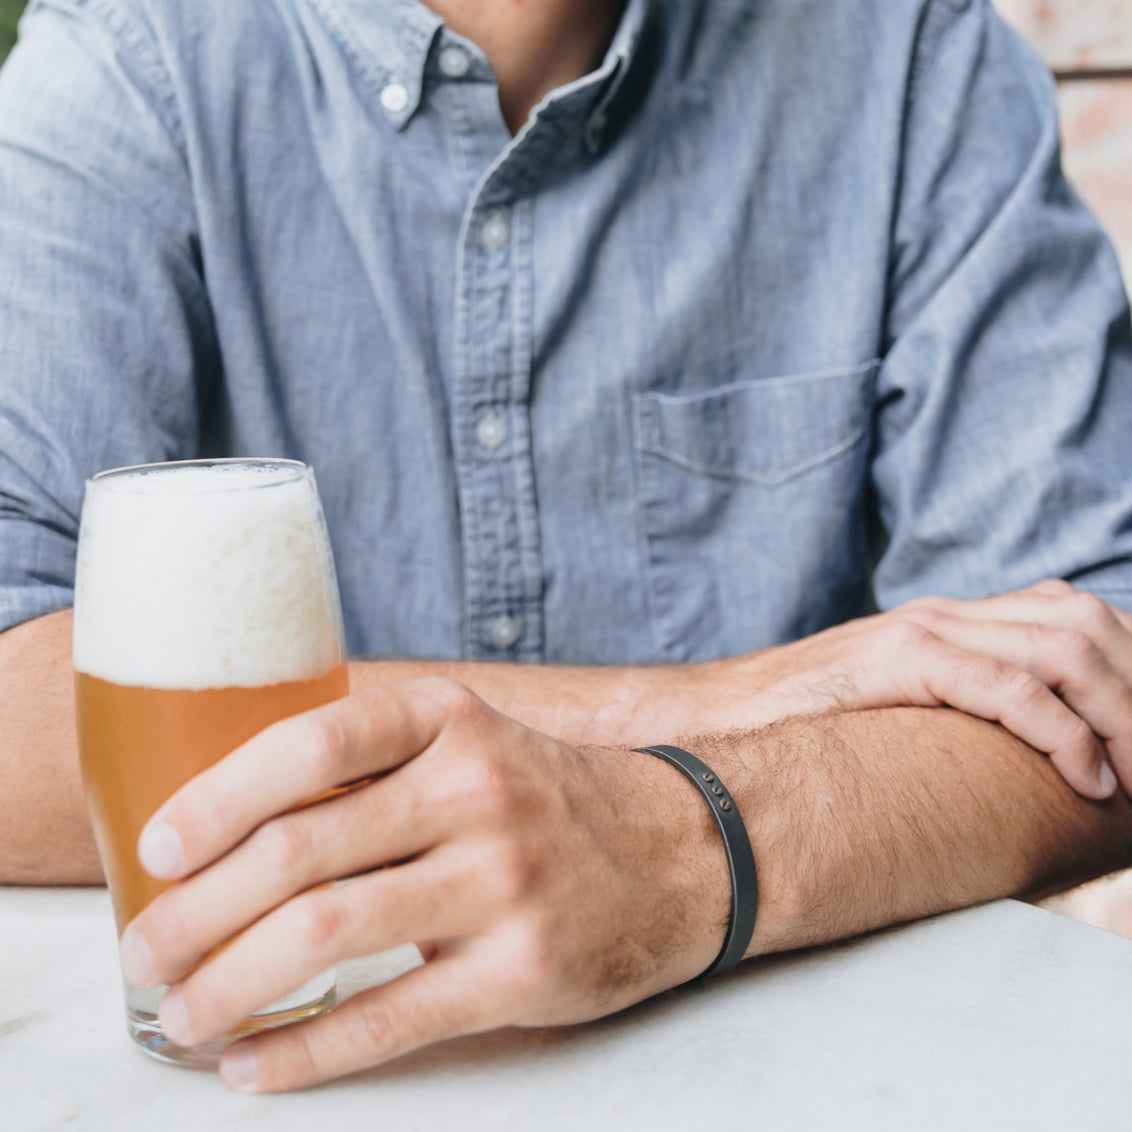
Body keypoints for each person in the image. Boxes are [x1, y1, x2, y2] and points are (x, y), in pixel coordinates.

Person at [2, 0, 1132, 1094]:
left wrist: (686, 855)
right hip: (292, 1077)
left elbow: (1095, 682)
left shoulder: (910, 50)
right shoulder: (129, 61)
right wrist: (746, 698)